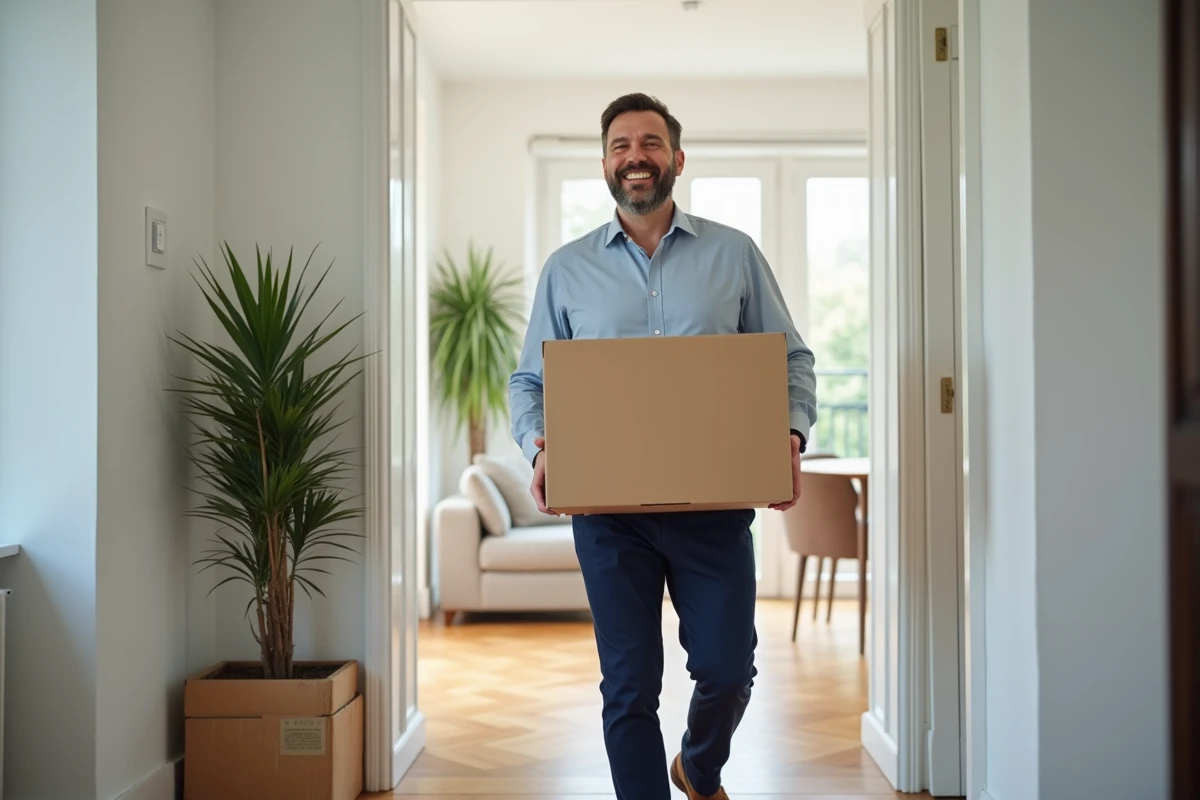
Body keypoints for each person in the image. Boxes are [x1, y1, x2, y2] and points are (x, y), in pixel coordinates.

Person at [508, 93, 817, 800]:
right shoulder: (566, 269)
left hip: (713, 504)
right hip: (608, 514)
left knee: (728, 668)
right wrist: (539, 445)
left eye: (650, 144)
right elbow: (529, 380)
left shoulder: (734, 254)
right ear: (605, 164)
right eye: (621, 145)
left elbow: (791, 360)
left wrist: (789, 433)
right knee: (629, 686)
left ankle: (699, 767)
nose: (635, 157)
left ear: (677, 159)